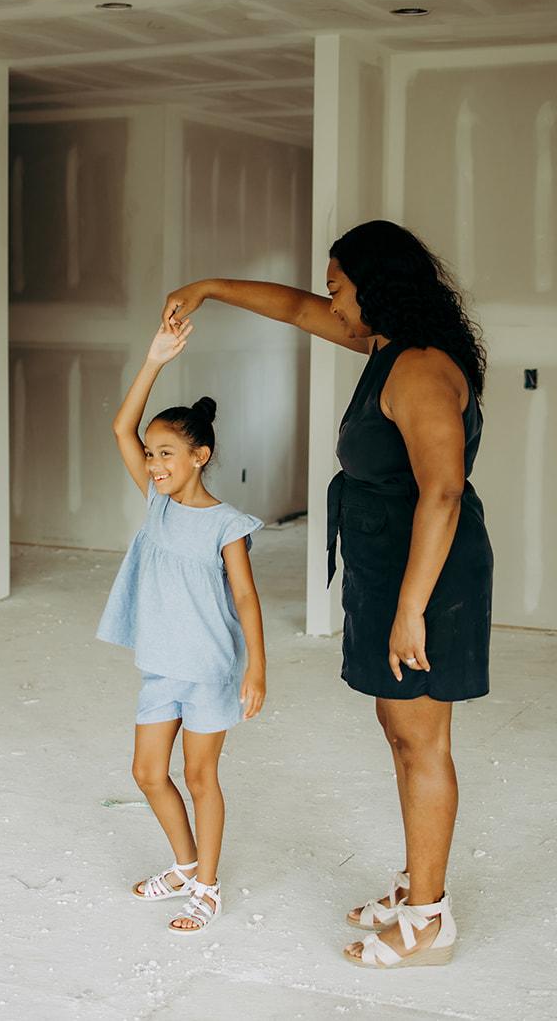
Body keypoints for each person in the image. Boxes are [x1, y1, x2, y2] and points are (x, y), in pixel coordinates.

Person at [161, 219, 491, 968]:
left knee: (423, 738)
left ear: (377, 287)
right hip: (388, 562)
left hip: (428, 575)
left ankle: (431, 920)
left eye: (341, 288)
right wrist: (209, 285)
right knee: (399, 727)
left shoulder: (421, 368)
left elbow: (442, 492)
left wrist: (411, 610)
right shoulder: (387, 344)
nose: (332, 303)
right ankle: (417, 885)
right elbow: (296, 308)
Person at [96, 316, 268, 935]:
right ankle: (184, 864)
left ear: (201, 456)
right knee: (146, 773)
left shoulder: (228, 524)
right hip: (163, 665)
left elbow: (247, 601)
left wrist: (257, 669)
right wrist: (154, 360)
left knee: (200, 776)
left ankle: (208, 886)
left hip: (211, 670)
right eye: (150, 454)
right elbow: (121, 426)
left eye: (166, 453)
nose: (154, 462)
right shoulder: (156, 501)